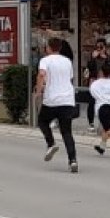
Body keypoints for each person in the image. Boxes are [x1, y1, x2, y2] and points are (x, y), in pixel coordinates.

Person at [35, 37, 78, 173]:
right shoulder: (67, 61)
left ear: (48, 48)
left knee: (42, 121)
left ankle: (51, 143)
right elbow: (70, 78)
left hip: (52, 99)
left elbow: (42, 74)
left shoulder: (45, 60)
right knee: (67, 132)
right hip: (67, 99)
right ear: (59, 48)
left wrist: (38, 90)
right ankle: (73, 160)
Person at [85, 39, 110, 132]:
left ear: (105, 47)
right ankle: (91, 123)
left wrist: (105, 57)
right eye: (97, 47)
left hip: (105, 83)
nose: (99, 49)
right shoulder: (93, 57)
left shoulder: (109, 58)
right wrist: (93, 58)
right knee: (92, 103)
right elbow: (88, 68)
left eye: (101, 47)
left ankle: (106, 123)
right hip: (94, 82)